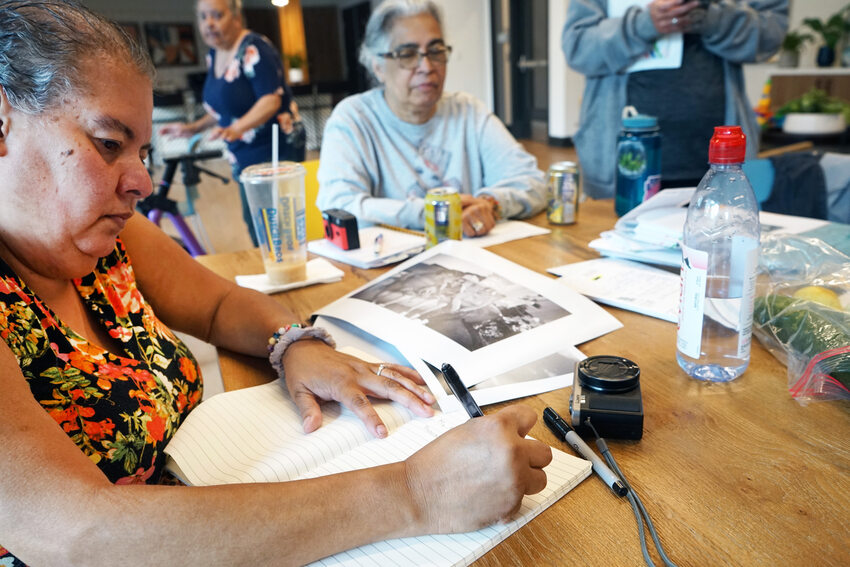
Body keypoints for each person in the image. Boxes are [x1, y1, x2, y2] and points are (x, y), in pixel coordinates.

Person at [0, 2, 553, 565]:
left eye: (143, 152)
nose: (142, 181)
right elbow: (73, 533)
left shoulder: (107, 238)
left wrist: (294, 342)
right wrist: (416, 492)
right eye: (108, 143)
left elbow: (216, 304)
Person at [316, 0, 546, 238]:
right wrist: (436, 212)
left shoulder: (468, 112)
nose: (426, 66)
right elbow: (338, 205)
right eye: (407, 54)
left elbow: (533, 182)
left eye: (436, 51)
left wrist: (490, 204)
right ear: (378, 67)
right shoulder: (353, 119)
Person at [562, 0, 789, 198]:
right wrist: (642, 25)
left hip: (721, 163)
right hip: (621, 168)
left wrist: (710, 18)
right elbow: (578, 48)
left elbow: (771, 35)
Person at [160, 0, 303, 247]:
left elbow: (270, 100)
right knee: (256, 223)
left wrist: (237, 128)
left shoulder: (255, 48)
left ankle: (287, 275)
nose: (209, 24)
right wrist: (193, 127)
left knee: (274, 226)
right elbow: (223, 111)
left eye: (217, 15)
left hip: (272, 150)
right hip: (242, 154)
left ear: (237, 17)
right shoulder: (214, 55)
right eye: (203, 17)